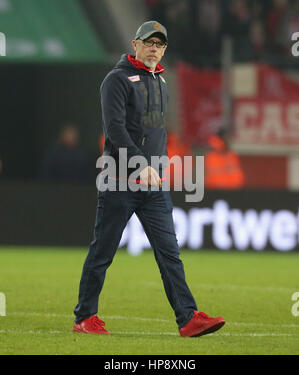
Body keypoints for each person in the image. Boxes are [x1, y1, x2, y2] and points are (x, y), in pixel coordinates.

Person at [73, 21, 225, 337]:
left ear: (164, 49)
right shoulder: (115, 81)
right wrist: (141, 164)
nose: (154, 47)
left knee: (169, 253)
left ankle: (188, 318)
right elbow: (114, 130)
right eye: (149, 42)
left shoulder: (161, 82)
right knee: (102, 253)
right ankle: (84, 317)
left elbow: (156, 132)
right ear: (136, 44)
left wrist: (159, 165)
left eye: (160, 43)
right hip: (119, 182)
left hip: (153, 187)